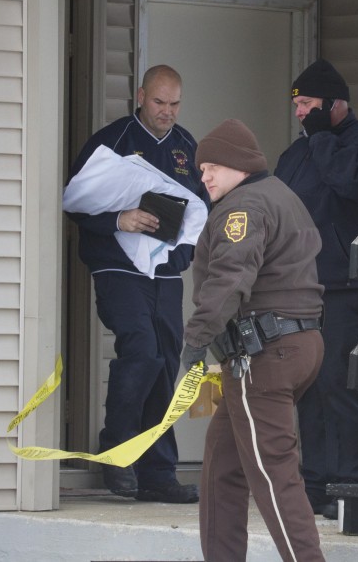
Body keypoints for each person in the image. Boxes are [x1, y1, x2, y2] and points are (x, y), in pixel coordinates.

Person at [179, 119, 326, 562]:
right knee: (222, 466)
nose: (204, 176)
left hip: (262, 355)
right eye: (201, 167)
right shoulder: (282, 195)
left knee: (273, 473)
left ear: (240, 165)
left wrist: (192, 346)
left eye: (213, 167)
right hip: (298, 344)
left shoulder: (243, 208)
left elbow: (228, 282)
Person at [65, 64, 207, 504]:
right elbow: (74, 203)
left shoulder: (187, 146)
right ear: (141, 96)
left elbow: (200, 211)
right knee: (141, 350)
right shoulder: (113, 139)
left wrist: (181, 253)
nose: (167, 112)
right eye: (159, 102)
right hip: (116, 264)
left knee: (165, 364)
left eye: (175, 104)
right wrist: (119, 219)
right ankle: (116, 447)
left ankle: (157, 475)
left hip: (164, 268)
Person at [275, 58, 358, 519]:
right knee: (307, 386)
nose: (301, 112)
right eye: (297, 104)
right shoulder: (296, 152)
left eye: (308, 103)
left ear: (336, 104)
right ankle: (316, 484)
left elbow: (353, 183)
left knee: (340, 385)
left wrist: (323, 136)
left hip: (347, 286)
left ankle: (354, 482)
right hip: (300, 287)